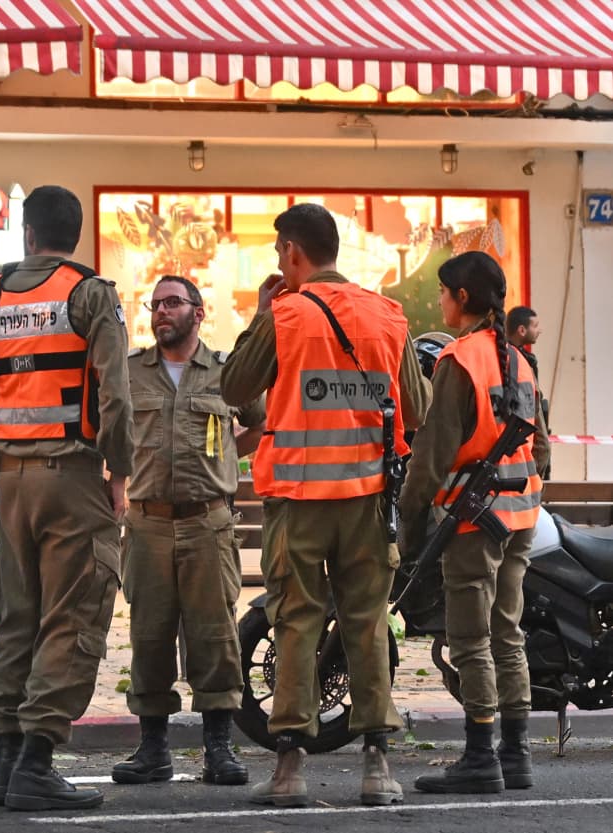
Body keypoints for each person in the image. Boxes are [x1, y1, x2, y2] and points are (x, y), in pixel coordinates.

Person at [221, 203, 431, 808]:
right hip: (368, 503)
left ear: (291, 252)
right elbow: (414, 412)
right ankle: (376, 768)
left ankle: (289, 771)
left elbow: (234, 387)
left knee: (297, 621)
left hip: (299, 502)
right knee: (365, 624)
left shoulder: (284, 315)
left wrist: (260, 316)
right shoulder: (388, 315)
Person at [0, 184, 133, 811]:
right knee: (73, 615)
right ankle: (37, 760)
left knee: (19, 616)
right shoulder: (89, 294)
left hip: (11, 481)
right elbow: (115, 394)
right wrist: (119, 474)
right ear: (74, 236)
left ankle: (6, 764)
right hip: (73, 476)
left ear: (28, 234)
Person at [400, 252, 549, 794]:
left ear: (462, 298)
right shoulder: (520, 361)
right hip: (522, 516)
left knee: (471, 638)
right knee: (508, 633)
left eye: (443, 291)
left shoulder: (460, 360)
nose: (439, 300)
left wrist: (410, 521)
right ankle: (516, 754)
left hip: (473, 520)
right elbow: (543, 450)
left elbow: (430, 457)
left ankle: (480, 756)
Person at [110, 275, 264, 788]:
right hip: (147, 523)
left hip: (208, 525)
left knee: (215, 637)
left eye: (173, 303)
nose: (161, 312)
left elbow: (259, 422)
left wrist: (224, 462)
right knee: (149, 636)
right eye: (155, 305)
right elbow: (107, 431)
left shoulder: (225, 374)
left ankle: (218, 749)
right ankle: (152, 750)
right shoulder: (132, 373)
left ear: (198, 313)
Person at [507, 305, 550, 477]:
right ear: (522, 330)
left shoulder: (514, 359)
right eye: (535, 325)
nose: (540, 330)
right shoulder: (520, 364)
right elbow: (542, 445)